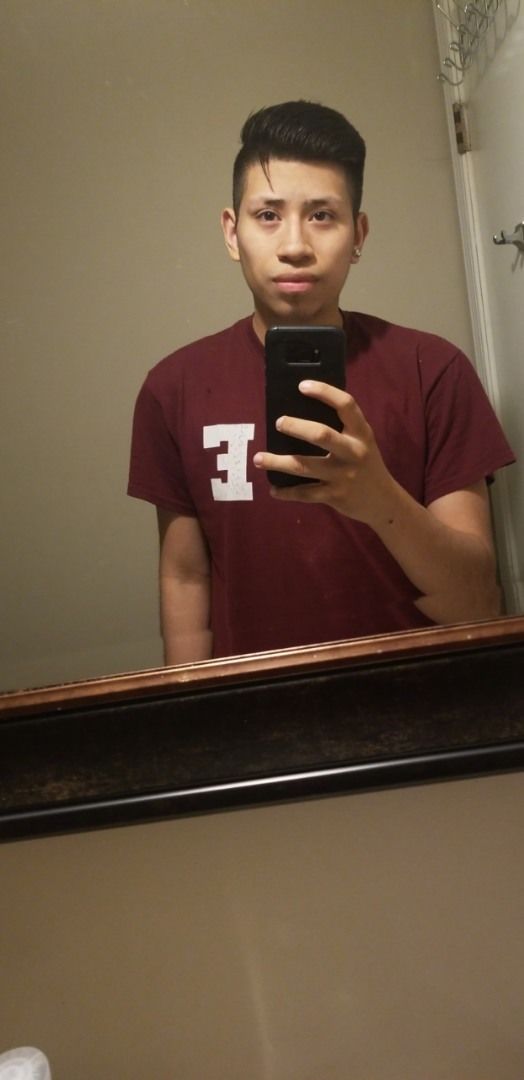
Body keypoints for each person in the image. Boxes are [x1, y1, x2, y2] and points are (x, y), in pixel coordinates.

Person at [128, 100, 515, 665]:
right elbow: (186, 579)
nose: (294, 246)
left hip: (419, 699)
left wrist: (378, 498)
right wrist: (191, 708)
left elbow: (477, 602)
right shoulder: (175, 388)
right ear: (232, 232)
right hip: (254, 705)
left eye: (322, 215)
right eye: (268, 215)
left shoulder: (432, 370)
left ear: (358, 234)